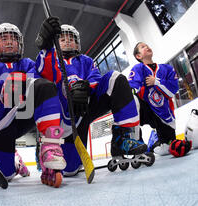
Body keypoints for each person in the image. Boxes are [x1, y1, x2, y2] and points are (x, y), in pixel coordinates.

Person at [35, 17, 148, 175]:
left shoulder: (86, 60)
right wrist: (46, 48)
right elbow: (42, 73)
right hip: (63, 120)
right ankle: (45, 147)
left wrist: (86, 87)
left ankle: (123, 137)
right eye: (62, 38)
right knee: (70, 169)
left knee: (116, 78)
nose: (67, 41)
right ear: (55, 42)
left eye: (71, 38)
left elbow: (96, 77)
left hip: (85, 108)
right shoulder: (51, 59)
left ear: (78, 43)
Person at [0, 23, 65, 187]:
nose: (8, 42)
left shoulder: (28, 64)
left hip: (23, 116)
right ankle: (16, 163)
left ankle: (50, 147)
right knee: (4, 174)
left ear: (19, 43)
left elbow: (49, 83)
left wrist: (48, 49)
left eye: (13, 39)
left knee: (44, 86)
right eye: (3, 39)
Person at [129, 42, 179, 155]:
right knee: (131, 101)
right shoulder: (138, 68)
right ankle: (137, 142)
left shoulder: (167, 68)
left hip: (164, 112)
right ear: (138, 56)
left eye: (147, 45)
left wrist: (156, 82)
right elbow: (132, 87)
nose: (147, 47)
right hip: (146, 109)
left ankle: (155, 142)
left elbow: (173, 90)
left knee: (168, 148)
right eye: (143, 47)